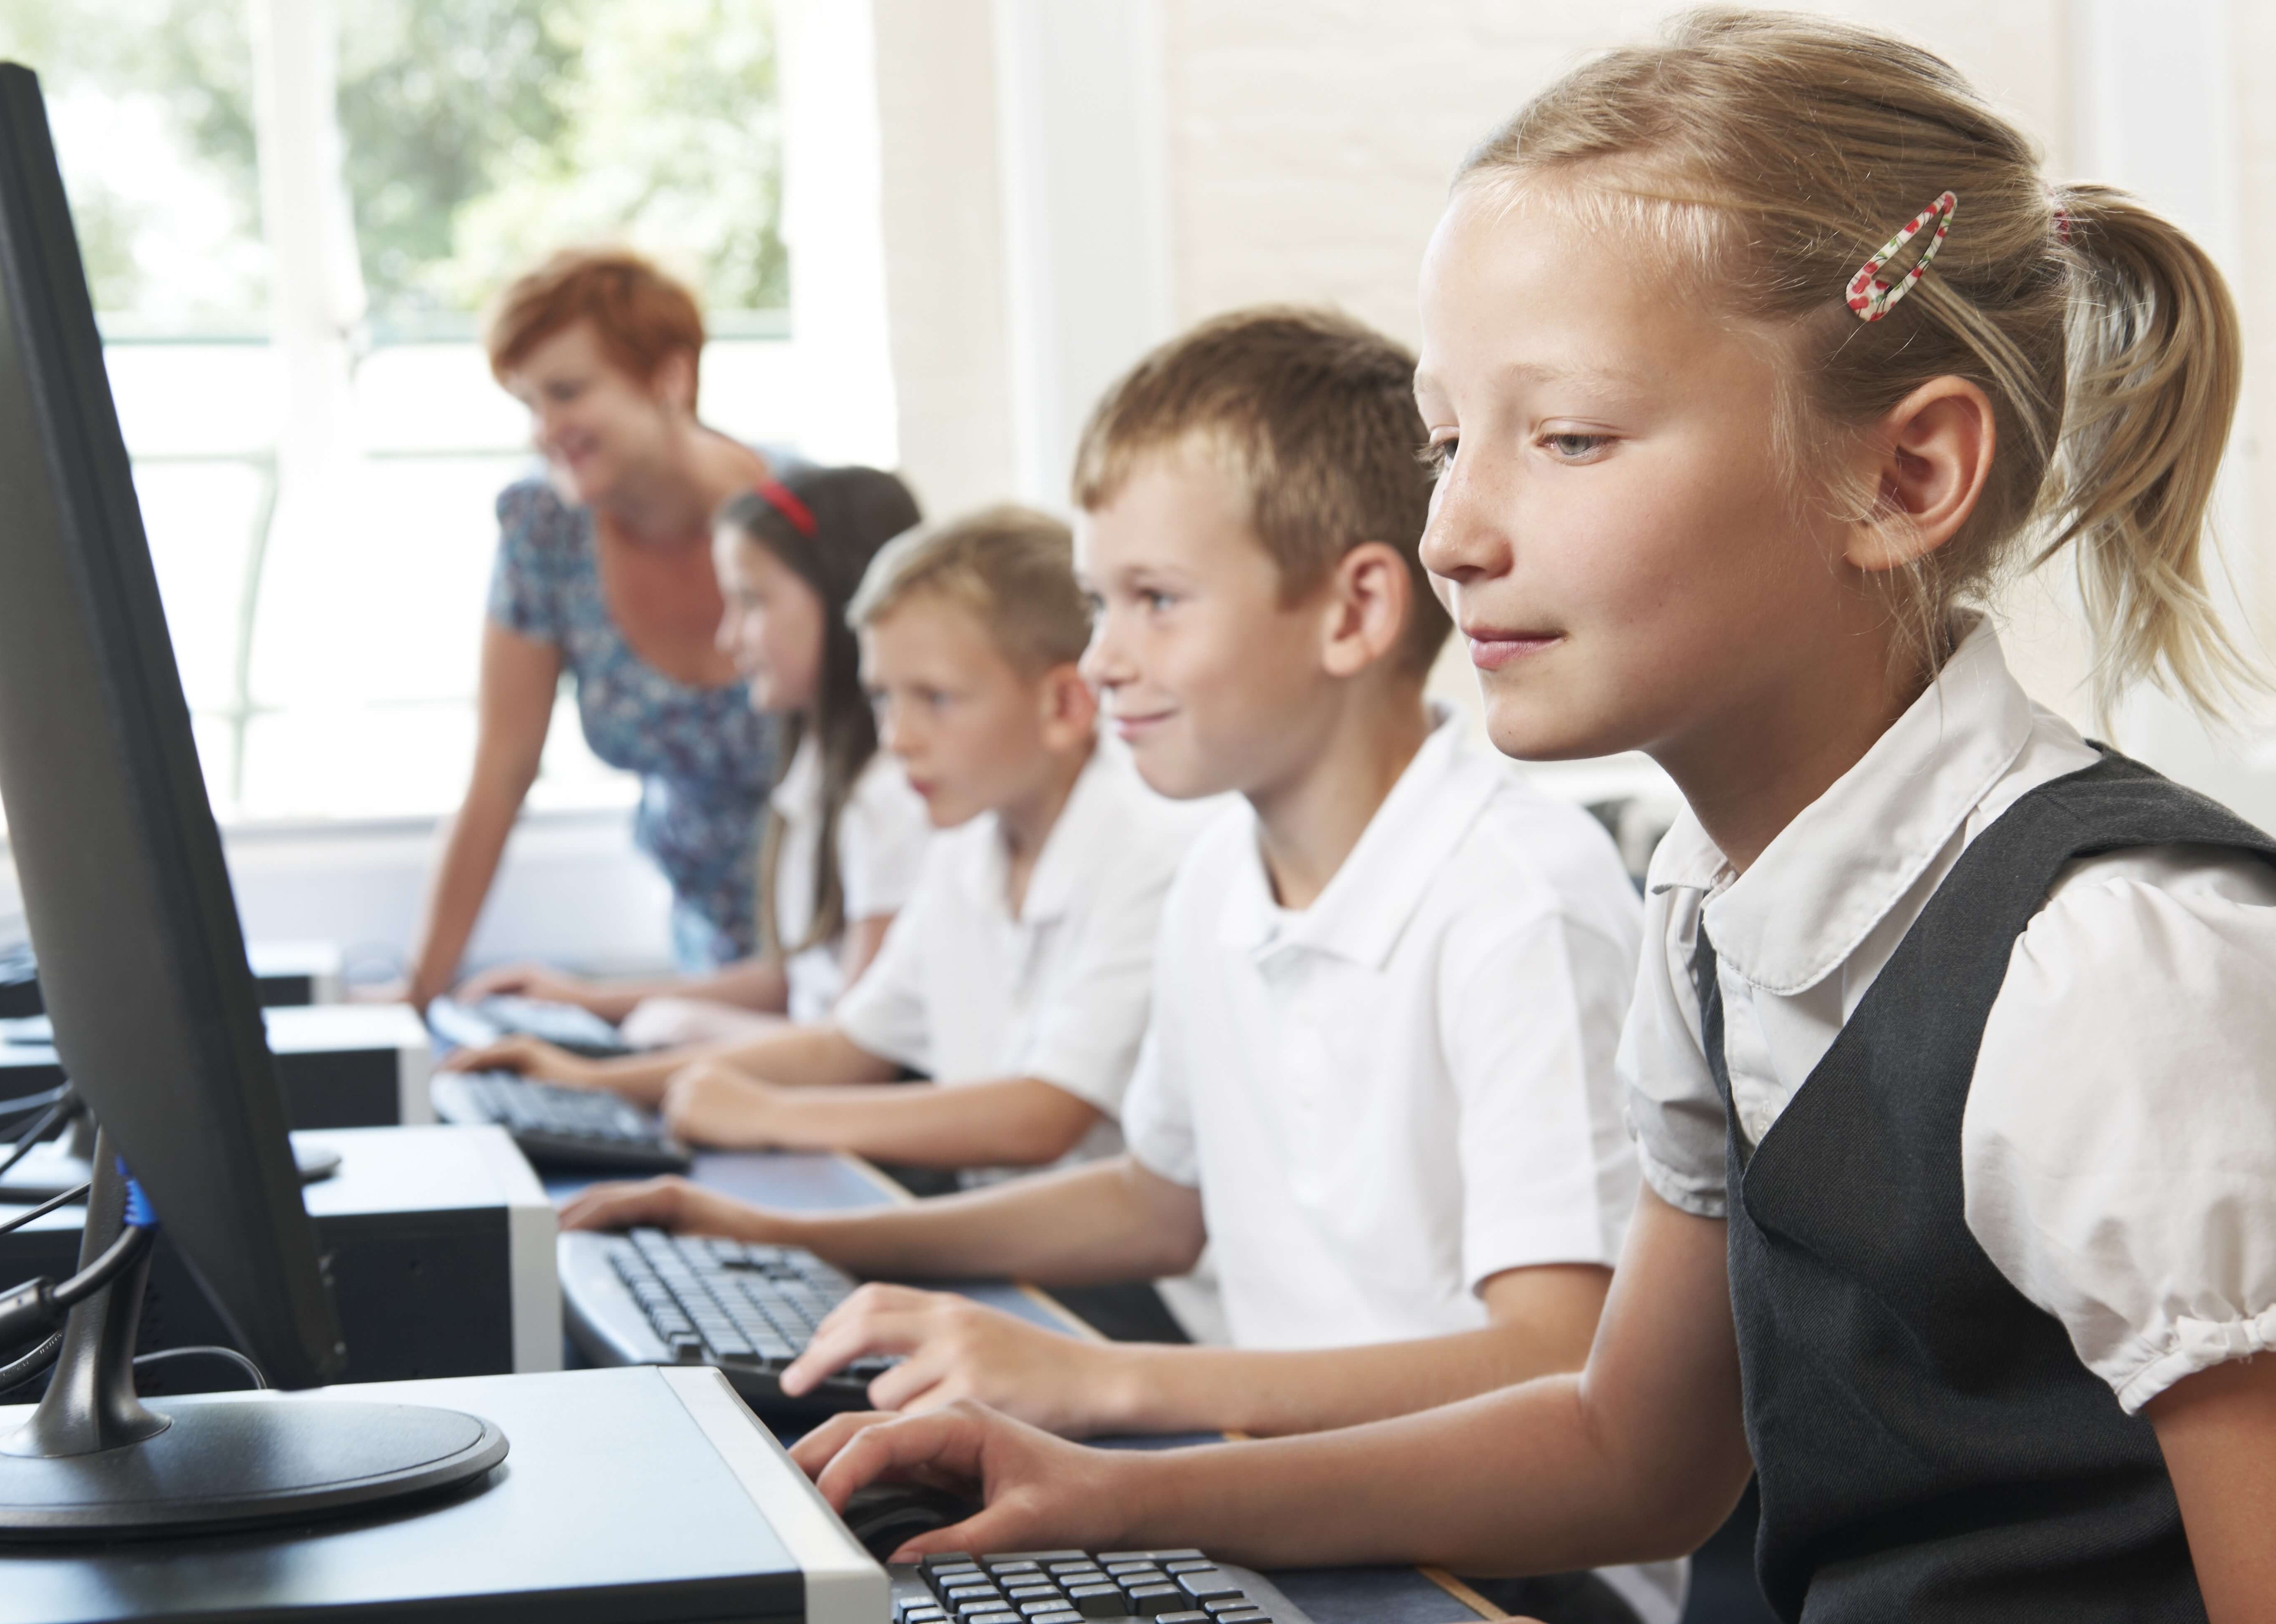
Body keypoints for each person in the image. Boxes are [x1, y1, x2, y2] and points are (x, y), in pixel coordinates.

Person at [781, 13, 2276, 1620]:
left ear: (1903, 477)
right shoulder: (1711, 907)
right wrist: (1112, 1491)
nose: (1451, 532)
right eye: (1446, 442)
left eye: (1566, 437)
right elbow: (1631, 1451)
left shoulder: (2111, 970)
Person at [561, 308, 1676, 1622]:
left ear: (1355, 610)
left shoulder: (1516, 900)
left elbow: (1553, 1359)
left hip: (1512, 1563)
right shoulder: (1221, 871)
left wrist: (1106, 1385)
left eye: (1155, 601)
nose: (1101, 660)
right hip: (1298, 1487)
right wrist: (791, 1237)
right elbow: (1159, 1200)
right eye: (1100, 604)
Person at [463, 506, 1207, 1189]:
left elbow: (1043, 1114)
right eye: (883, 697)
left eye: (935, 698)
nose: (898, 737)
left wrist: (772, 1116)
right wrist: (587, 1083)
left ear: (1065, 705)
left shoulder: (1149, 848)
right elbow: (848, 1044)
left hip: (1115, 1267)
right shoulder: (967, 846)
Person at [396, 246, 787, 1005]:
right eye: (528, 404)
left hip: (844, 945)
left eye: (567, 392)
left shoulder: (806, 521)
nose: (545, 429)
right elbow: (501, 772)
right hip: (704, 959)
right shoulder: (545, 529)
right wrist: (417, 998)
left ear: (669, 378)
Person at [458, 466, 932, 1048]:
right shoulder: (813, 772)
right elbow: (793, 979)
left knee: (665, 1030)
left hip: (833, 1087)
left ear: (842, 600)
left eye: (751, 602)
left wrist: (626, 1063)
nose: (728, 638)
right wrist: (586, 1001)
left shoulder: (888, 796)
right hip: (807, 1069)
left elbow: (854, 1050)